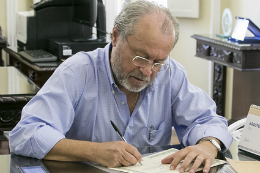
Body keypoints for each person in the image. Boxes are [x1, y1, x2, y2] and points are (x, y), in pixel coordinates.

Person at [9, 1, 232, 173]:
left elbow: (208, 121)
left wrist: (208, 145)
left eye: (158, 62)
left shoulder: (170, 73)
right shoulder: (78, 72)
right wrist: (94, 151)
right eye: (141, 57)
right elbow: (25, 134)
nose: (148, 71)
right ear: (116, 36)